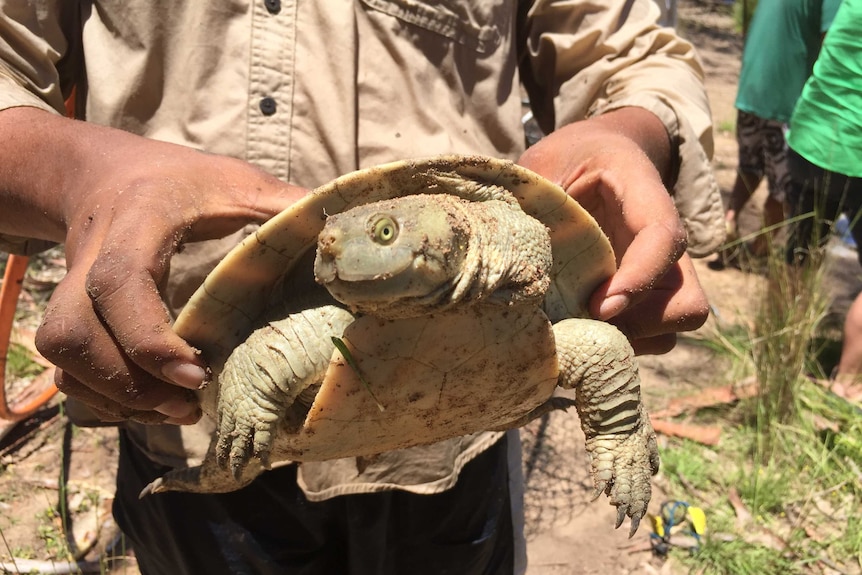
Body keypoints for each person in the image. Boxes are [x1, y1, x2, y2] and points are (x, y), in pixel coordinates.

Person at [0, 1, 724, 573]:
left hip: (456, 453)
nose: (338, 252)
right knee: (267, 371)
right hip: (192, 429)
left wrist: (630, 131)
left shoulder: (508, 245)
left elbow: (633, 56)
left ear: (454, 230)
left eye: (375, 238)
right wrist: (73, 169)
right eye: (332, 246)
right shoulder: (327, 317)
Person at [713, 0, 840, 269]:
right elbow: (833, 46)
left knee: (750, 165)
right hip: (786, 100)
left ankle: (729, 219)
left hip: (751, 89)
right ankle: (758, 251)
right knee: (786, 187)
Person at [784, 0, 862, 403]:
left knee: (798, 255)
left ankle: (782, 355)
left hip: (812, 137)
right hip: (856, 154)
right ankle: (846, 385)